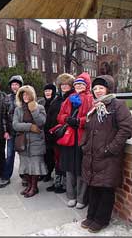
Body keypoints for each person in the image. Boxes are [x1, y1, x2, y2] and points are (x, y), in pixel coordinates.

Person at [80, 74, 132, 232]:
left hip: (108, 157)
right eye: (95, 88)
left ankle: (102, 219)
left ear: (108, 88)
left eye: (101, 88)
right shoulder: (95, 106)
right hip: (93, 156)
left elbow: (126, 129)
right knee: (94, 187)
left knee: (106, 189)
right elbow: (88, 129)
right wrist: (85, 145)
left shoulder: (117, 105)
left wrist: (110, 148)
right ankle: (91, 216)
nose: (97, 91)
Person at [54, 72, 93, 209]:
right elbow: (60, 116)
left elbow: (91, 118)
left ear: (86, 86)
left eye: (81, 84)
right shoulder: (69, 98)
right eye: (77, 84)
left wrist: (79, 121)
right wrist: (68, 119)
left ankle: (81, 198)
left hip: (82, 139)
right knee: (70, 168)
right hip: (69, 138)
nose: (79, 86)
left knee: (81, 169)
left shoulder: (89, 99)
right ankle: (71, 196)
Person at [12, 85, 47, 197]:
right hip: (23, 141)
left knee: (35, 166)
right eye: (23, 94)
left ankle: (34, 187)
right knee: (25, 166)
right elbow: (15, 125)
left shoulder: (40, 107)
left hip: (37, 141)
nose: (25, 96)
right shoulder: (18, 109)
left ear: (32, 95)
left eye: (27, 94)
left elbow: (41, 122)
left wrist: (34, 110)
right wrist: (30, 127)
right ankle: (29, 185)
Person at [45, 74, 71, 193]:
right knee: (57, 159)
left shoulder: (71, 98)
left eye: (66, 84)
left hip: (65, 134)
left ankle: (64, 185)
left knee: (64, 160)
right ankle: (57, 182)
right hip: (54, 134)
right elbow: (50, 116)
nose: (64, 87)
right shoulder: (57, 99)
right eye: (62, 84)